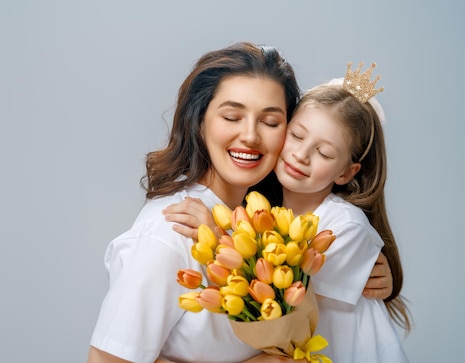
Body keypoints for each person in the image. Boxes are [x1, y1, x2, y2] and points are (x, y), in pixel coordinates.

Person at [88, 42, 392, 363]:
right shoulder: (172, 233)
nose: (250, 136)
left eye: (271, 122)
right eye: (232, 116)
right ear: (199, 120)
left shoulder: (261, 224)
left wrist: (380, 278)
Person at [166, 63, 411, 362]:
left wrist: (215, 236)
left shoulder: (344, 227)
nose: (301, 154)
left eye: (323, 153)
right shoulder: (260, 205)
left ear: (346, 172)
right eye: (296, 136)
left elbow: (278, 304)